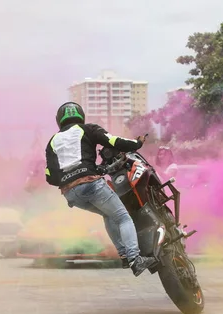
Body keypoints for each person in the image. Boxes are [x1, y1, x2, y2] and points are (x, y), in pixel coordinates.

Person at [44, 102, 157, 276]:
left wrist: (71, 178)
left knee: (108, 214)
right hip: (91, 184)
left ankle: (124, 255)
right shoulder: (87, 129)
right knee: (123, 217)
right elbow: (114, 141)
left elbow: (50, 176)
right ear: (80, 115)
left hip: (71, 193)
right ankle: (135, 259)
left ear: (59, 120)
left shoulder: (52, 141)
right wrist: (137, 143)